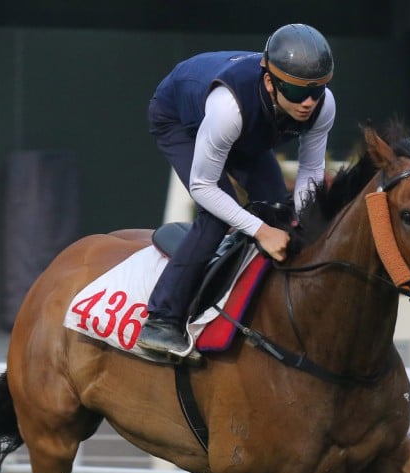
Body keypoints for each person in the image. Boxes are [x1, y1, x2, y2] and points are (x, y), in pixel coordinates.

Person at [135, 23, 336, 360]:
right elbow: (203, 186)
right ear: (270, 81)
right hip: (181, 118)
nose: (309, 103)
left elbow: (311, 172)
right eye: (298, 92)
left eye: (317, 91)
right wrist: (260, 230)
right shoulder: (228, 109)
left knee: (279, 212)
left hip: (248, 131)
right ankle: (162, 320)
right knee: (216, 216)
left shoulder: (323, 105)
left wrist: (300, 224)